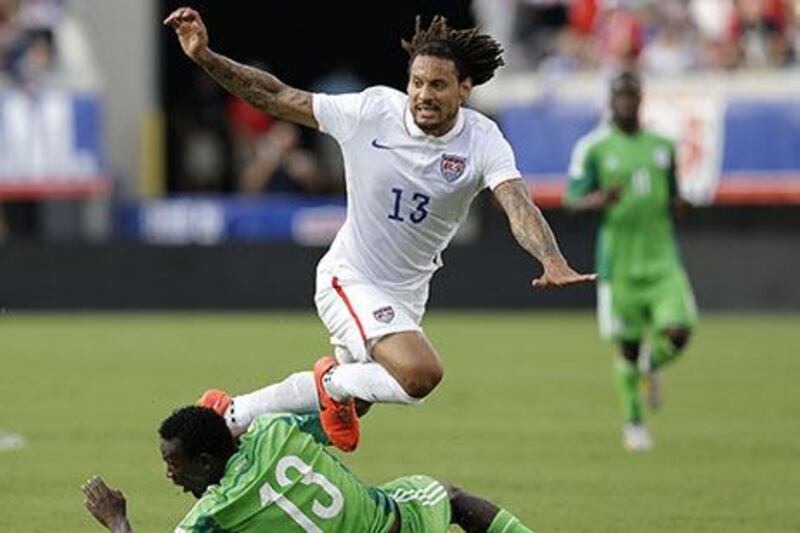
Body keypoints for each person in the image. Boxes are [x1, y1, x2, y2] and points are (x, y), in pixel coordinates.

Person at [165, 8, 595, 452]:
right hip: (349, 278)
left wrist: (552, 259)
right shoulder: (372, 111)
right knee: (418, 374)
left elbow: (517, 202)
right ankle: (327, 386)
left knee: (361, 396)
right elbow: (276, 96)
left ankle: (232, 415)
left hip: (407, 292)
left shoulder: (483, 140)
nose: (423, 95)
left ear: (465, 89)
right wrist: (206, 57)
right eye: (416, 83)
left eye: (438, 85)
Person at [82, 405, 533, 532]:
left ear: (205, 461)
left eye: (174, 466)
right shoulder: (275, 429)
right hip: (395, 523)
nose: (170, 476)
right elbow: (352, 411)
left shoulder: (211, 515)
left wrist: (118, 520)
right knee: (447, 496)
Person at [563, 70, 697, 452]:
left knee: (680, 331)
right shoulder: (594, 148)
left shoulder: (663, 146)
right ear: (611, 100)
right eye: (619, 95)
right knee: (627, 347)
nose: (626, 101)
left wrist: (681, 205)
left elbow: (674, 195)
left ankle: (651, 366)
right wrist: (597, 199)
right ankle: (634, 424)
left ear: (641, 99)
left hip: (661, 261)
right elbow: (572, 200)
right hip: (618, 266)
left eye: (631, 95)